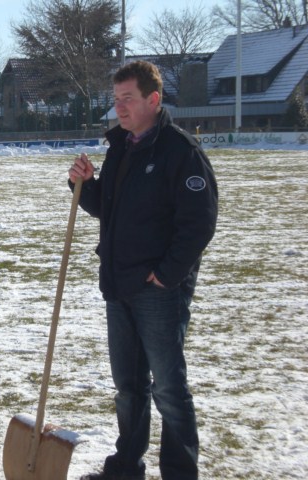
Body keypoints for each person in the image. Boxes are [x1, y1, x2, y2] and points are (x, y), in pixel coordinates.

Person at [68, 60, 218, 480]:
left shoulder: (180, 151)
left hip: (158, 291)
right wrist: (86, 185)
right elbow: (110, 210)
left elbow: (199, 223)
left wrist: (167, 274)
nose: (119, 108)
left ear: (153, 100)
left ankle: (179, 472)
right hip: (119, 286)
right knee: (129, 387)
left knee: (168, 389)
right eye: (116, 99)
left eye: (128, 99)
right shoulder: (122, 147)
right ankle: (126, 467)